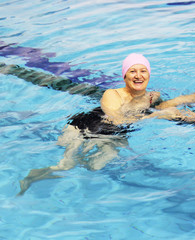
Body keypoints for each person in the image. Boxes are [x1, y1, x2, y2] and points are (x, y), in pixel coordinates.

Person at [18, 53, 163, 195]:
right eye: (132, 71)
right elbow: (116, 120)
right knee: (66, 165)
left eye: (143, 71)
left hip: (112, 134)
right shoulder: (112, 93)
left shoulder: (153, 96)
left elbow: (170, 106)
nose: (139, 75)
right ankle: (33, 176)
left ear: (149, 74)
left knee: (95, 166)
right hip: (85, 126)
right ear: (125, 76)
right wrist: (153, 116)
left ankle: (76, 164)